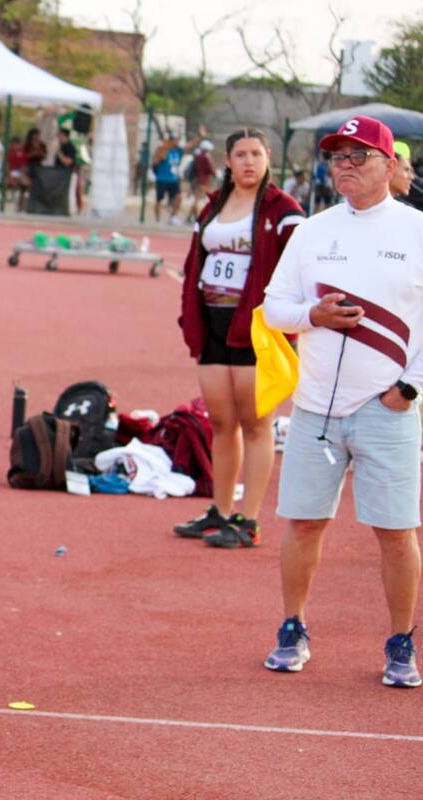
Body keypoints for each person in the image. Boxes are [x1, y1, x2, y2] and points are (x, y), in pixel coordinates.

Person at [261, 115, 423, 688]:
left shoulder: (417, 230)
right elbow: (273, 307)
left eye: (359, 156)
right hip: (314, 410)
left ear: (389, 164)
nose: (345, 166)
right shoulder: (310, 232)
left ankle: (402, 641)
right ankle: (292, 627)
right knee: (303, 524)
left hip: (387, 407)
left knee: (397, 531)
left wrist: (409, 388)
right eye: (337, 157)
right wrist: (314, 316)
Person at [174, 127, 305, 548]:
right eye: (241, 155)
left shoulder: (283, 209)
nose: (249, 162)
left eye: (256, 154)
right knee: (221, 422)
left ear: (268, 158)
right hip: (212, 323)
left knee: (256, 423)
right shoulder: (213, 205)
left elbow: (303, 267)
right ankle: (221, 509)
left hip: (256, 330)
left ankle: (248, 520)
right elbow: (196, 260)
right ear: (227, 162)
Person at [152, 125, 205, 223]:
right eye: (175, 140)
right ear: (171, 141)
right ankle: (157, 220)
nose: (177, 142)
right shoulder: (163, 149)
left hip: (173, 179)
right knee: (159, 200)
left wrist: (200, 136)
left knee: (179, 197)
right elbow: (155, 160)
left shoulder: (178, 151)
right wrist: (165, 148)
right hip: (162, 179)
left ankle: (172, 217)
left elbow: (190, 145)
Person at [184, 140, 216, 222]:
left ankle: (191, 217)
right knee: (199, 200)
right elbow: (211, 170)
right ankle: (195, 217)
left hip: (196, 180)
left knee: (197, 199)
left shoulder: (196, 157)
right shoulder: (205, 158)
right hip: (203, 181)